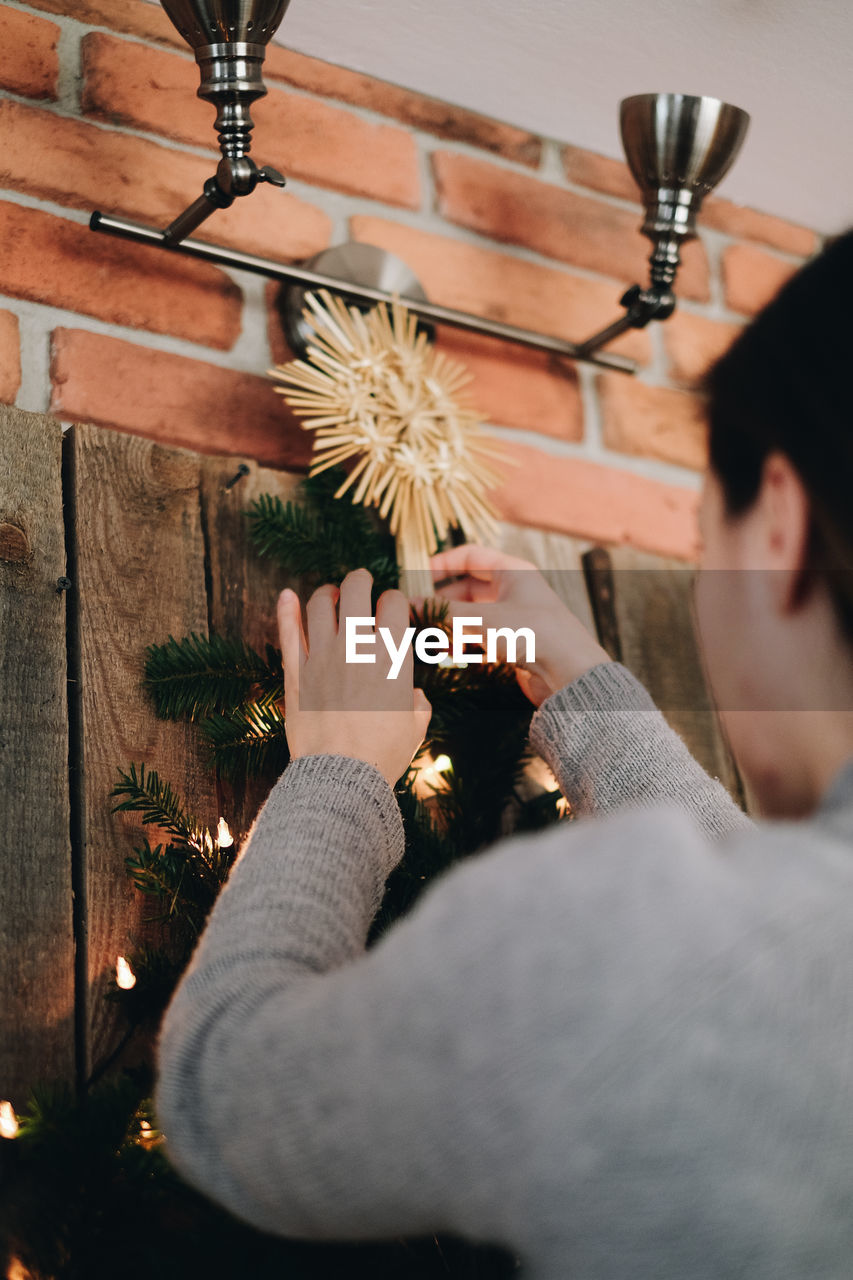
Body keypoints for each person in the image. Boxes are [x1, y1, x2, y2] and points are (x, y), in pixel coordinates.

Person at [154, 230, 853, 1278]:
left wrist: (337, 772)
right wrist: (578, 679)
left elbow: (226, 1092)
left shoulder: (621, 946)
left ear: (779, 531)